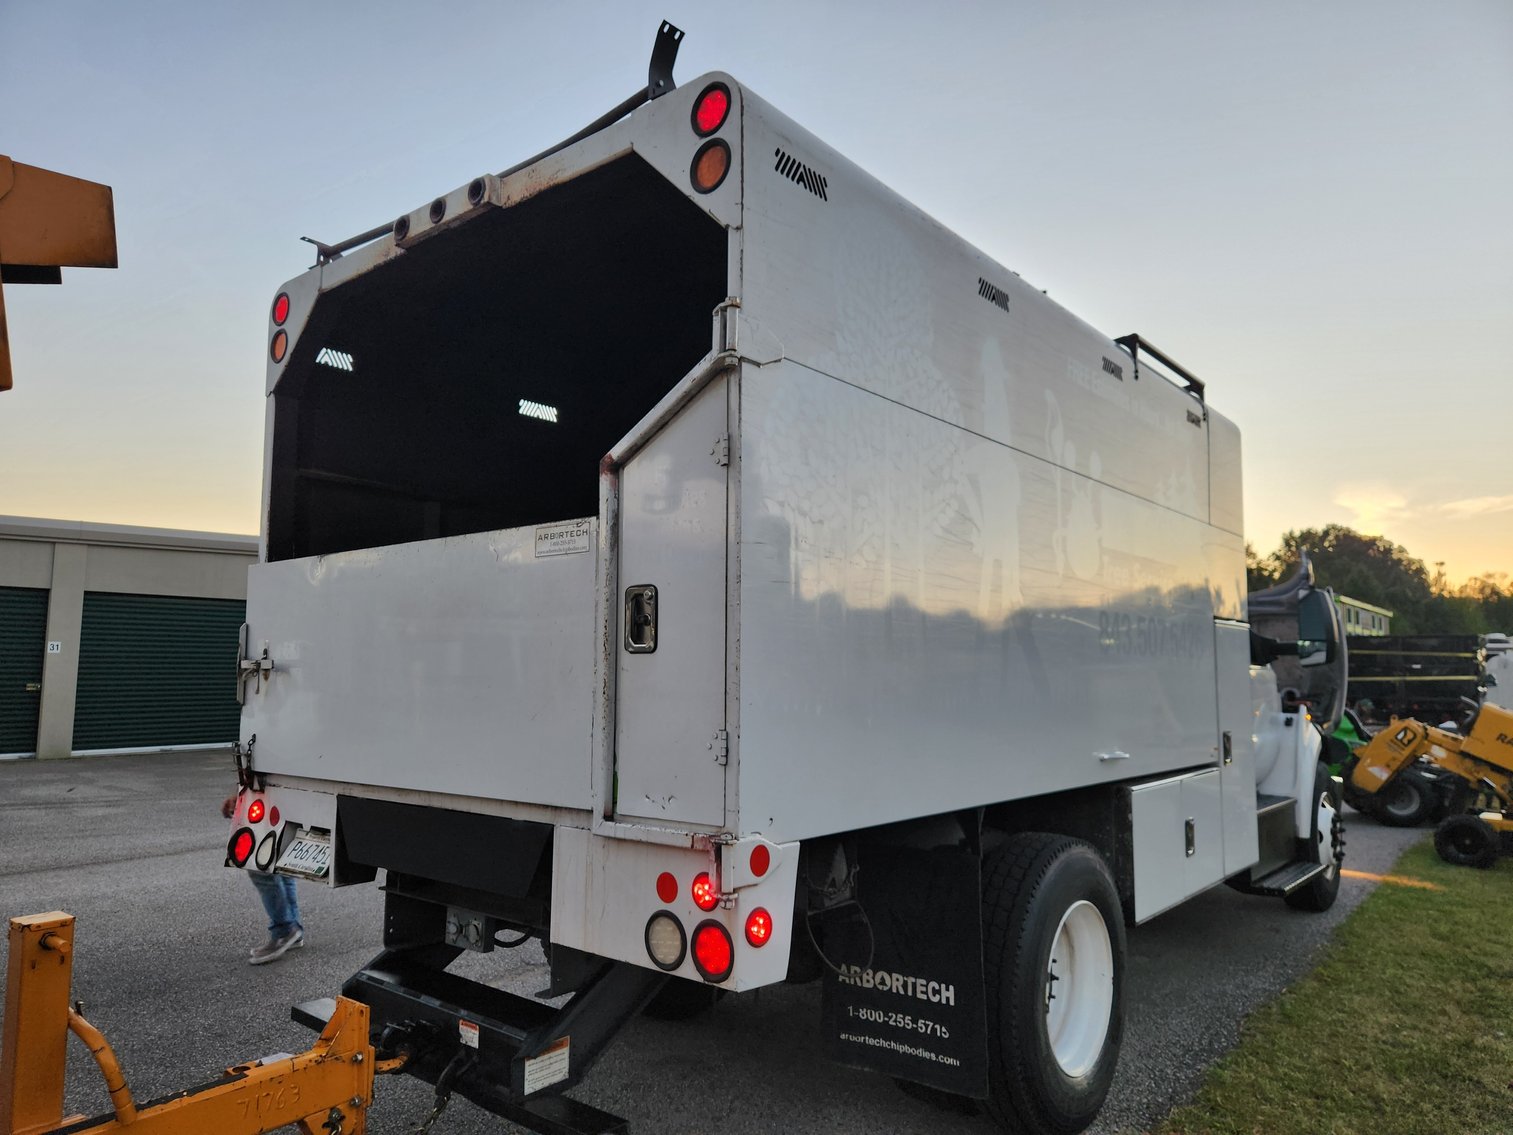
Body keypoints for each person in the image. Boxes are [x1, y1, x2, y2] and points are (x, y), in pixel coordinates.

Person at [222, 795, 306, 964]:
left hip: (265, 792)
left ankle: (285, 930)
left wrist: (240, 796)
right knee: (280, 862)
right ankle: (293, 930)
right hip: (288, 793)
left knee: (258, 866)